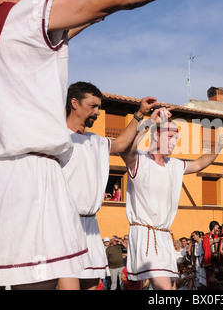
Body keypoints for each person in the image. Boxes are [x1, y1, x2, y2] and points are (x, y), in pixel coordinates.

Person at [0, 0, 171, 289]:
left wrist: (140, 118)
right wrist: (95, 11)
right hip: (30, 177)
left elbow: (41, 36)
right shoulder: (30, 12)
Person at [58, 82, 157, 290]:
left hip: (91, 226)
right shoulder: (57, 137)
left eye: (99, 107)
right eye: (92, 106)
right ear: (74, 103)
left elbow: (121, 143)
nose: (97, 112)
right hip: (63, 224)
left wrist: (140, 114)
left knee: (93, 287)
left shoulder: (97, 140)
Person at [120, 109, 223, 290]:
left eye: (176, 139)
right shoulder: (140, 159)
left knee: (172, 288)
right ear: (156, 136)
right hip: (146, 234)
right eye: (170, 137)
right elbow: (125, 149)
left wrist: (219, 145)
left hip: (164, 236)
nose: (174, 143)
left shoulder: (174, 165)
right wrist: (150, 122)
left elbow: (199, 163)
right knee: (165, 289)